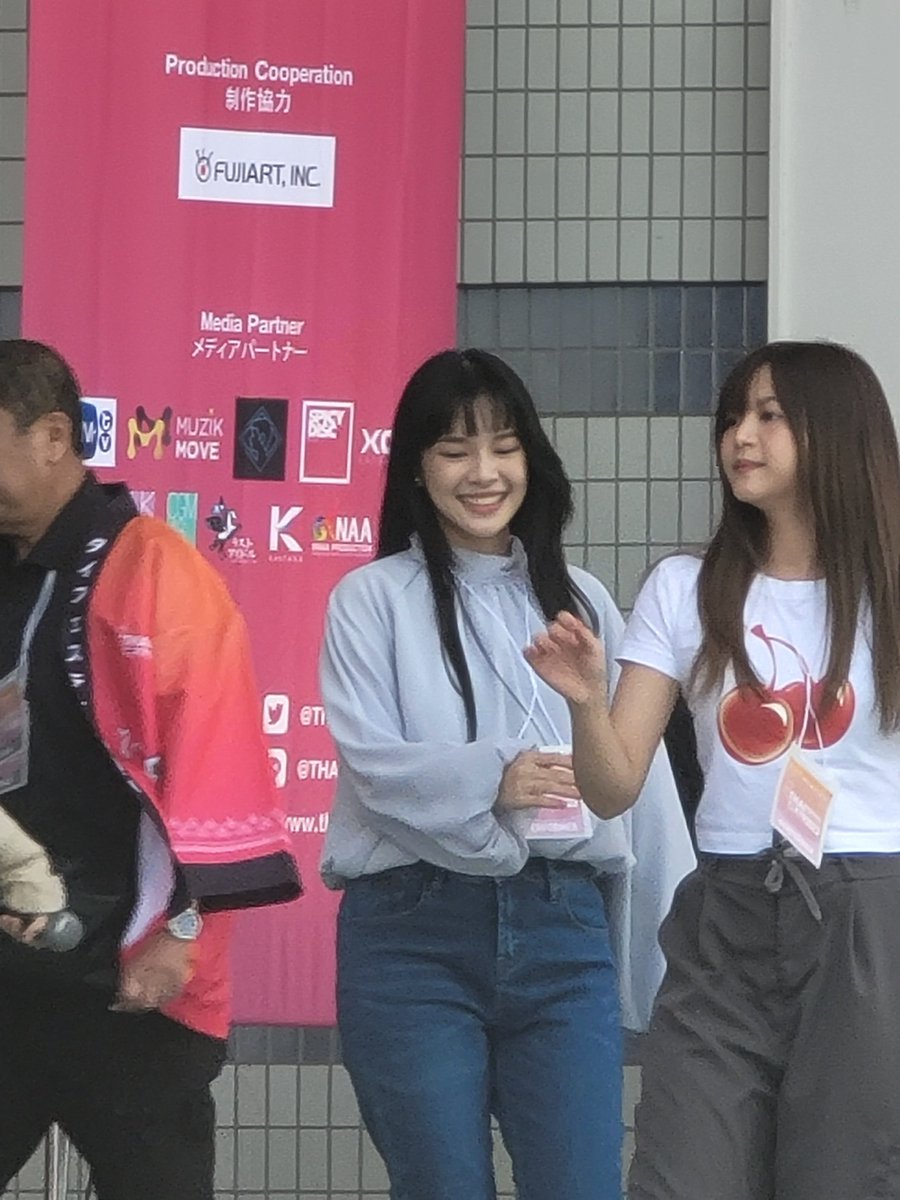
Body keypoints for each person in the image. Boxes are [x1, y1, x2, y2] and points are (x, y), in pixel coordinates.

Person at [525, 340, 900, 1200]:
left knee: (846, 1177)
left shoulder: (888, 588)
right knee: (681, 1170)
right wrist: (584, 701)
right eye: (733, 417)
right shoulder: (685, 586)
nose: (741, 436)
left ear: (836, 430)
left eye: (769, 416)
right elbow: (613, 785)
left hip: (868, 911)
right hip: (727, 908)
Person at [319, 348, 694, 1200]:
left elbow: (636, 790)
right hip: (411, 933)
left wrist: (669, 954)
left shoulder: (583, 600)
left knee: (585, 1183)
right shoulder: (370, 598)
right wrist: (494, 777)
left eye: (504, 446)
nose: (483, 473)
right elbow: (374, 766)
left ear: (534, 458)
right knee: (442, 1184)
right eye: (454, 450)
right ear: (417, 467)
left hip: (564, 926)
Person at [0, 339, 301, 1200]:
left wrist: (182, 935)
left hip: (129, 979)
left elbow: (217, 763)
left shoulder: (153, 568)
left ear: (52, 437)